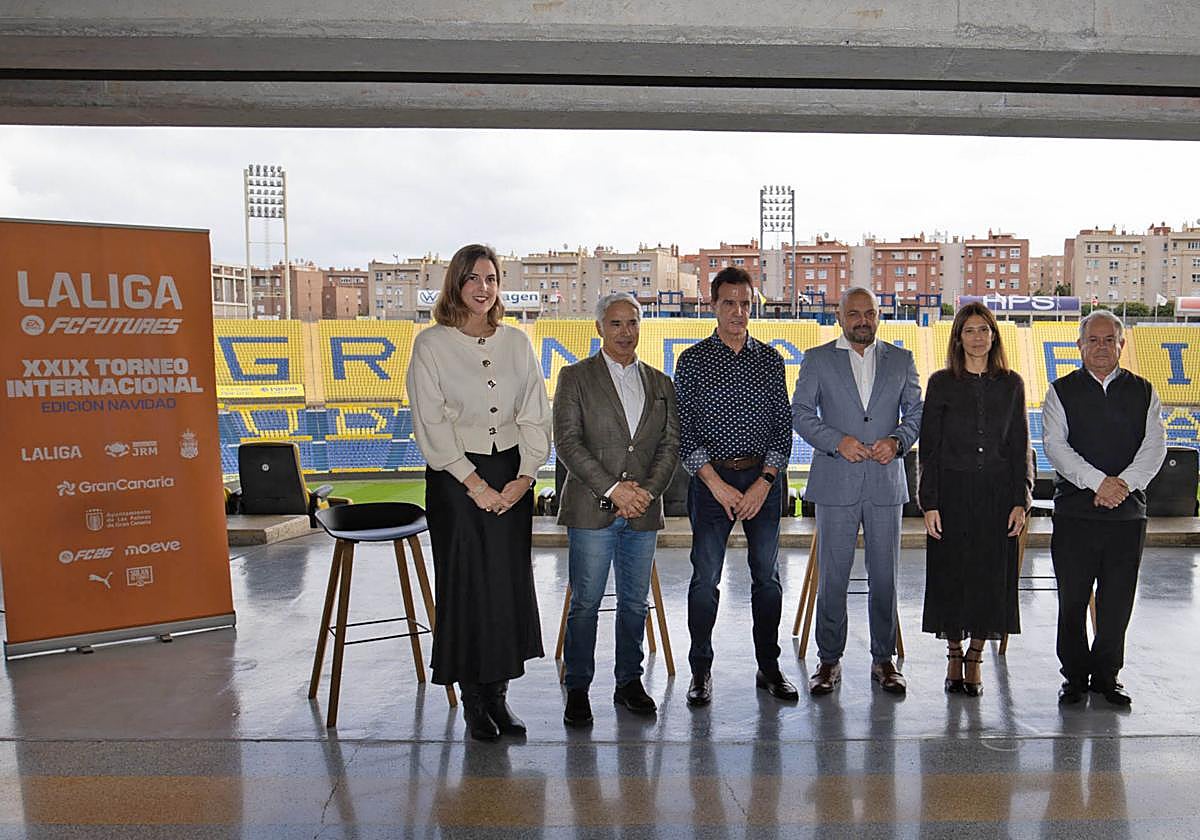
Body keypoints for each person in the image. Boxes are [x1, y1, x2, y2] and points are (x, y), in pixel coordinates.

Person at [407, 243, 551, 740]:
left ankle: (499, 697)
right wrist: (474, 485)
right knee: (468, 587)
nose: (483, 288)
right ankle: (473, 701)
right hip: (455, 481)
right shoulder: (431, 345)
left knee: (506, 586)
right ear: (456, 284)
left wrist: (525, 476)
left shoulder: (517, 343)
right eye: (472, 278)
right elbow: (430, 422)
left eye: (490, 278)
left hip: (512, 472)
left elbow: (534, 411)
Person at [553, 292, 680, 727]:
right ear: (599, 328)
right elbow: (568, 443)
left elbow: (669, 446)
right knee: (586, 603)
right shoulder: (575, 377)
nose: (626, 332)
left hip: (643, 511)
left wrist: (643, 492)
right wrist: (614, 489)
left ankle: (629, 682)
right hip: (592, 511)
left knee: (633, 603)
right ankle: (578, 689)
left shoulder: (661, 383)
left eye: (633, 323)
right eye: (616, 324)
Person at [674, 266, 797, 707]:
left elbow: (783, 430)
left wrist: (765, 482)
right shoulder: (692, 361)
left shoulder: (770, 360)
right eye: (729, 303)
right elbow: (685, 433)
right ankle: (701, 672)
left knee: (767, 579)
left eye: (745, 303)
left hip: (762, 483)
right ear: (713, 305)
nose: (738, 312)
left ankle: (769, 667)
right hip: (711, 484)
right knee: (705, 580)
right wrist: (717, 486)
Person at [792, 286, 923, 696]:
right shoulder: (817, 360)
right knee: (832, 579)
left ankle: (883, 660)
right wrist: (837, 441)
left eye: (869, 313)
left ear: (879, 316)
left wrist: (898, 442)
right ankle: (828, 661)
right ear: (840, 316)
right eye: (854, 314)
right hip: (836, 482)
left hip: (886, 483)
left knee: (885, 577)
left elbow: (917, 413)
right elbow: (800, 412)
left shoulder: (901, 360)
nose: (862, 320)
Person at [1043, 309, 1166, 707]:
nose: (1100, 347)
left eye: (1108, 340)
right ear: (1079, 346)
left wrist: (1123, 485)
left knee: (1117, 602)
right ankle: (1075, 677)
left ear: (1121, 345)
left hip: (1127, 517)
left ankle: (1107, 677)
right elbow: (1056, 448)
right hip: (1076, 515)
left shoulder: (1145, 391)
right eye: (1092, 340)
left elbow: (1154, 448)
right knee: (1073, 600)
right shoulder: (1060, 391)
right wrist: (1099, 483)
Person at [918, 302, 1033, 697]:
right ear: (958, 337)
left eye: (984, 329)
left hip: (998, 495)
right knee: (952, 574)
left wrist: (1021, 498)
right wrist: (929, 502)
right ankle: (953, 653)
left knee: (989, 577)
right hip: (951, 494)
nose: (978, 337)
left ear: (994, 335)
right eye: (969, 330)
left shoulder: (1012, 383)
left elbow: (1021, 445)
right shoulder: (940, 383)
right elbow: (929, 449)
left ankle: (976, 656)